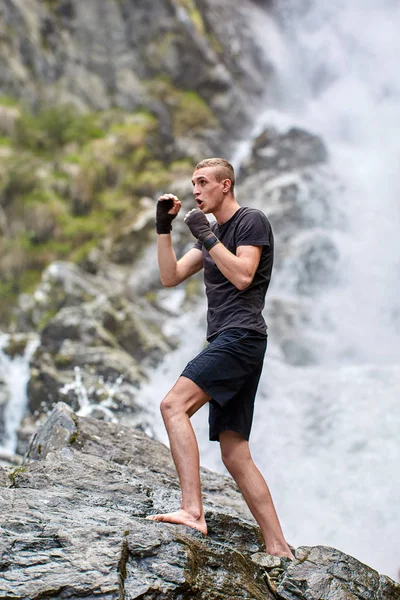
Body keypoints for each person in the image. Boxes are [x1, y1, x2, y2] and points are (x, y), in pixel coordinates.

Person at [146, 157, 293, 559]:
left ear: (225, 185)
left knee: (173, 405)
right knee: (234, 452)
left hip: (241, 336)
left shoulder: (251, 220)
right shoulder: (209, 234)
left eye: (203, 182)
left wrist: (207, 237)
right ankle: (279, 547)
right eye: (193, 182)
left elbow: (244, 275)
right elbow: (170, 276)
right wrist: (164, 228)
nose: (196, 190)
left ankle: (193, 511)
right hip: (234, 340)